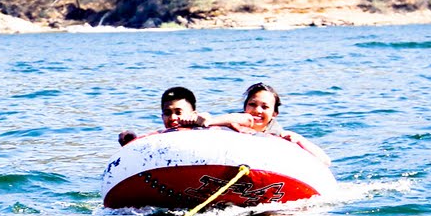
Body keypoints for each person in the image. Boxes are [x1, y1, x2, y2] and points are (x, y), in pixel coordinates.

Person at [202, 82, 330, 163]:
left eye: (265, 107)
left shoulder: (280, 136)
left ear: (274, 114)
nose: (257, 110)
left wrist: (300, 140)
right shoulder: (230, 124)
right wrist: (207, 120)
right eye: (252, 104)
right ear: (245, 107)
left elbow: (325, 161)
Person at [118, 85, 206, 146]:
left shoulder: (203, 130)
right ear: (162, 116)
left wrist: (205, 120)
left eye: (178, 112)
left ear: (193, 114)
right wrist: (130, 140)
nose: (172, 118)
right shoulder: (159, 136)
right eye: (167, 113)